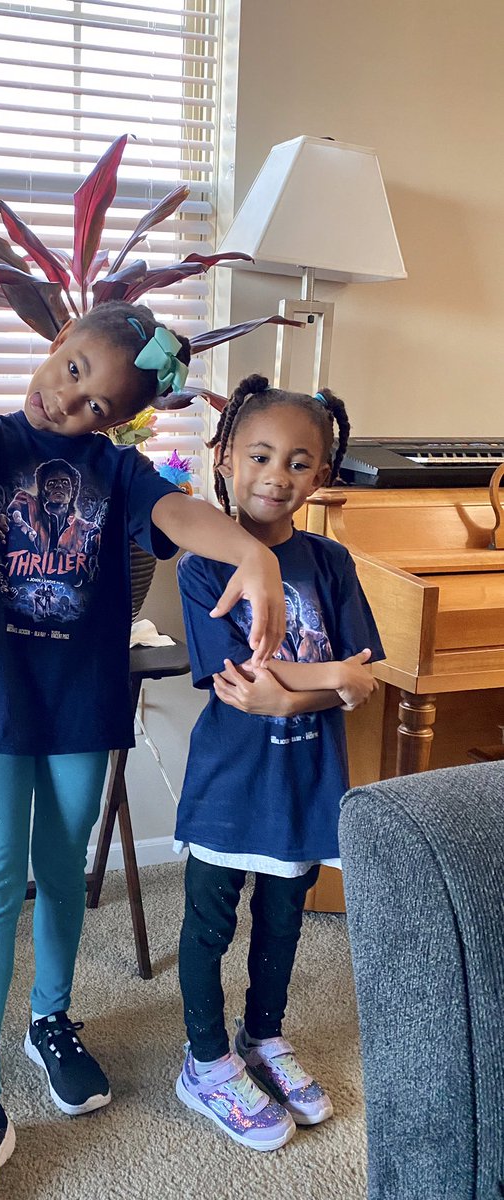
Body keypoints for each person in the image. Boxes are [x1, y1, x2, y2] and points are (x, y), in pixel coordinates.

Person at [0, 302, 289, 1200]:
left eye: (101, 406)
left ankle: (50, 1019)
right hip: (0, 709)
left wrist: (254, 555)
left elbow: (181, 517)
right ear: (55, 347)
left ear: (122, 421)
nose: (74, 407)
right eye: (73, 377)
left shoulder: (121, 471)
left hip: (83, 706)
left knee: (63, 871)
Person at [173, 374, 384, 1151]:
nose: (277, 475)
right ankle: (204, 1062)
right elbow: (242, 682)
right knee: (208, 925)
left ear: (323, 474)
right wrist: (329, 680)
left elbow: (362, 667)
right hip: (230, 787)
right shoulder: (202, 566)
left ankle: (264, 1036)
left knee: (284, 921)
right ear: (225, 459)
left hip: (305, 784)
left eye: (300, 461)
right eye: (260, 455)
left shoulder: (331, 563)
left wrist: (304, 692)